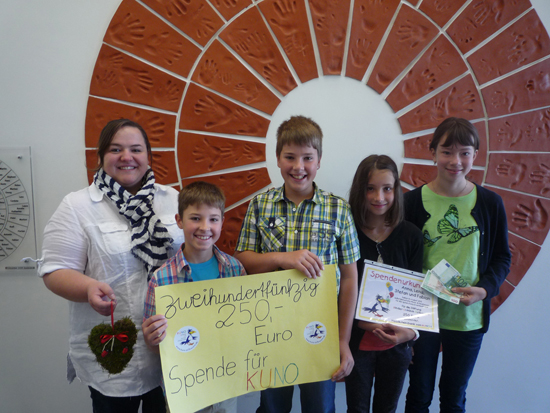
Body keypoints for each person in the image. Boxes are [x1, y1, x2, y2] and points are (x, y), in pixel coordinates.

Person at [38, 119, 184, 413]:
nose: (126, 157)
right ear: (101, 156)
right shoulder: (77, 206)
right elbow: (54, 270)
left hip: (173, 344)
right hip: (115, 351)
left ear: (148, 156)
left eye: (136, 149)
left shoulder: (174, 200)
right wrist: (88, 288)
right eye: (116, 149)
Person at [234, 115, 360, 413]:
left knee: (320, 407)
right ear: (278, 158)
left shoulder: (338, 209)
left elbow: (350, 278)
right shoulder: (260, 205)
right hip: (271, 329)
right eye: (290, 157)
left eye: (307, 158)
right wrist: (281, 258)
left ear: (319, 161)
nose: (298, 166)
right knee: (273, 407)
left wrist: (343, 340)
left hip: (321, 332)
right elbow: (242, 263)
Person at [403, 117, 511, 413]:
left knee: (453, 398)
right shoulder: (411, 203)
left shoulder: (490, 203)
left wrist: (484, 290)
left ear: (475, 155)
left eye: (464, 153)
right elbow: (401, 258)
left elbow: (502, 257)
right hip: (422, 316)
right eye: (447, 151)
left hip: (467, 318)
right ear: (433, 153)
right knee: (418, 395)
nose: (456, 161)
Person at [142, 181, 246, 413]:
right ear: (179, 221)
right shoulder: (161, 279)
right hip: (184, 390)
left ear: (222, 221)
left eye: (213, 219)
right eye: (196, 218)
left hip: (226, 386)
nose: (205, 227)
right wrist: (151, 338)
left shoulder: (234, 270)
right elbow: (155, 344)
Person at [345, 155, 423, 413]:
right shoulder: (347, 232)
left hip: (397, 344)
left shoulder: (411, 235)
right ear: (360, 190)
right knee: (356, 409)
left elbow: (415, 295)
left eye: (387, 188)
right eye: (370, 188)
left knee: (387, 409)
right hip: (356, 342)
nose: (379, 197)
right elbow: (340, 290)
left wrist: (410, 335)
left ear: (396, 190)